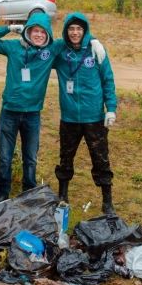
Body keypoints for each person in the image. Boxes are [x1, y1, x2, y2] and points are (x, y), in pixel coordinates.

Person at [0, 14, 106, 203]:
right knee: (5, 157)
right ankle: (2, 194)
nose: (38, 35)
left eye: (42, 31)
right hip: (10, 112)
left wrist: (93, 39)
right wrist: (9, 28)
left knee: (30, 158)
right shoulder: (13, 47)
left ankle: (28, 193)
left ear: (47, 33)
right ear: (28, 31)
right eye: (34, 30)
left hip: (32, 114)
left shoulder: (52, 49)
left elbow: (74, 35)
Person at [53, 12, 117, 214]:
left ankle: (107, 202)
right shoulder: (60, 51)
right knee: (66, 157)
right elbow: (42, 46)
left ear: (85, 30)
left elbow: (108, 79)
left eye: (79, 29)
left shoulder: (96, 50)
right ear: (66, 31)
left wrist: (111, 109)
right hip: (69, 117)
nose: (75, 32)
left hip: (94, 117)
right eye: (71, 29)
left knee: (101, 159)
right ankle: (63, 195)